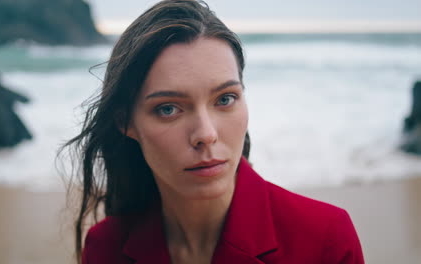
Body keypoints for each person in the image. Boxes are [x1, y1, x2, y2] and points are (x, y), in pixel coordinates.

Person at [64, 0, 365, 263]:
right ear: (125, 122)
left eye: (225, 99)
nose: (206, 134)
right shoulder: (105, 247)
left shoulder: (325, 239)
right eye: (168, 108)